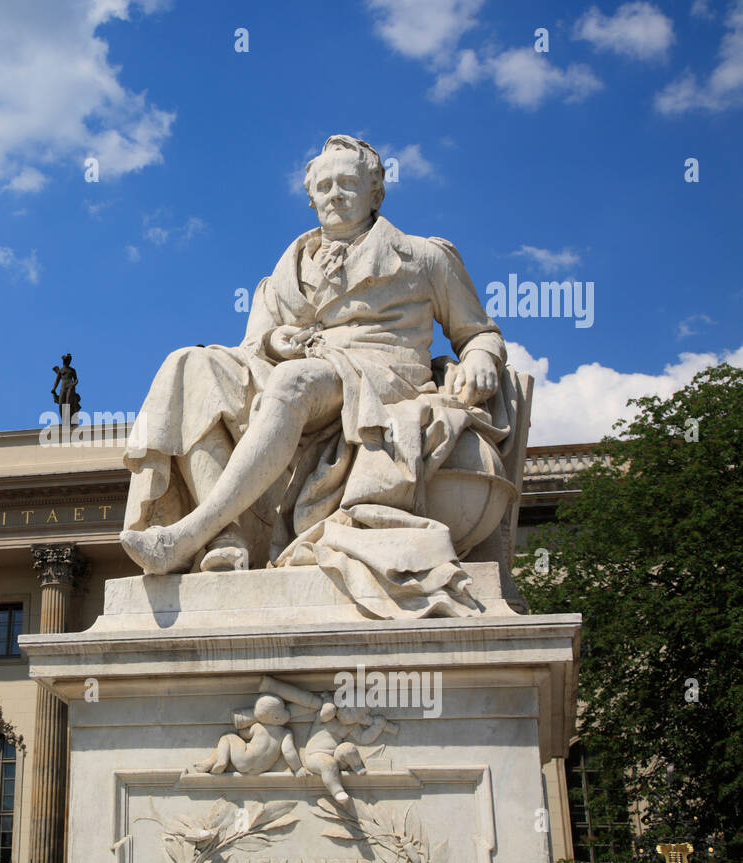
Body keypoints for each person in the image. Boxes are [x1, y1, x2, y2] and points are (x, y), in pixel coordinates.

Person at [120, 135, 512, 617]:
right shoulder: (286, 270)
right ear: (310, 197)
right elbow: (252, 346)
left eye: (348, 183)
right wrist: (273, 343)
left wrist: (480, 359)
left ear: (376, 194)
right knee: (190, 365)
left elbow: (479, 333)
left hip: (381, 376)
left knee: (292, 383)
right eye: (324, 186)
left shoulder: (424, 257)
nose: (335, 194)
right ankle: (227, 537)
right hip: (306, 367)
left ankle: (190, 532)